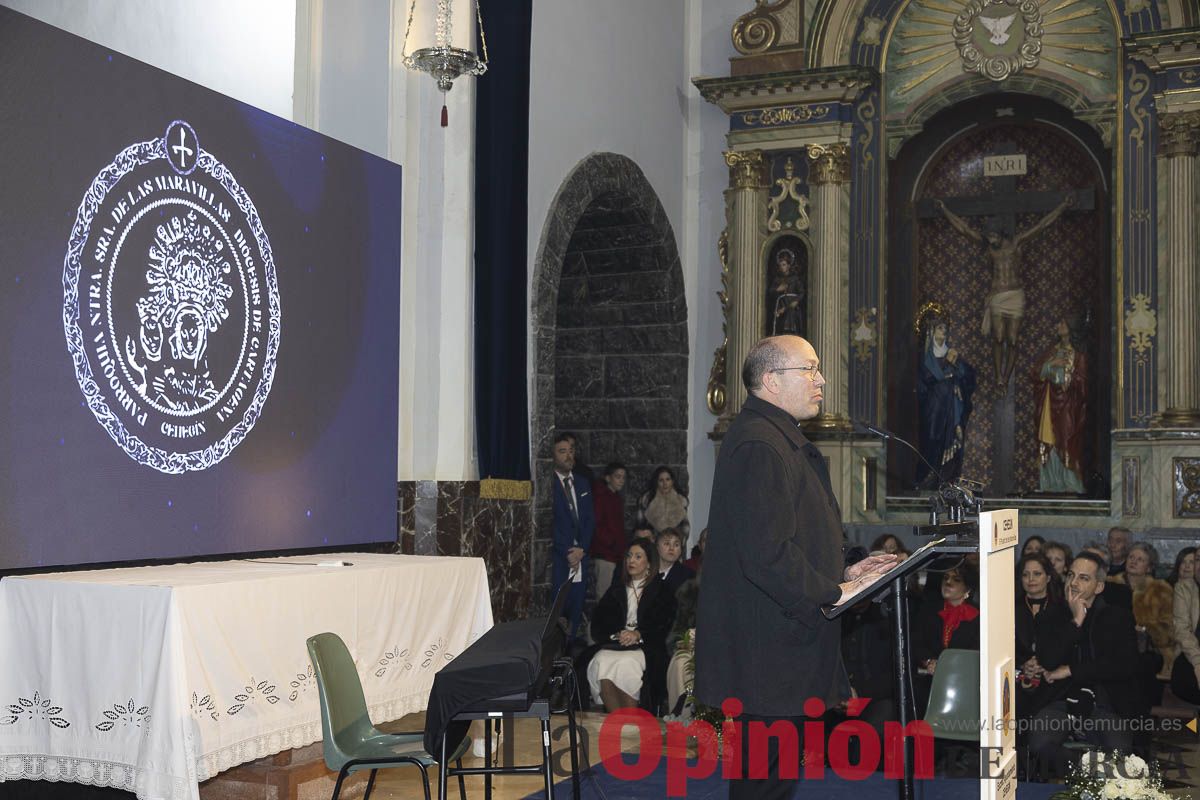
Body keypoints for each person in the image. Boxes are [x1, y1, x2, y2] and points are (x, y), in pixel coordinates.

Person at [695, 335, 897, 800]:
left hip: (781, 648)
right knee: (764, 785)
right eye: (809, 369)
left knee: (774, 781)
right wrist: (832, 594)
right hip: (769, 654)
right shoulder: (760, 445)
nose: (820, 379)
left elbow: (796, 538)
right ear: (771, 380)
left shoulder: (777, 437)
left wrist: (847, 573)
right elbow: (766, 553)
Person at [1029, 553, 1142, 781]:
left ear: (1098, 586)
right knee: (1039, 745)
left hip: (1105, 700)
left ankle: (1094, 773)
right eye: (1071, 575)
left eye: (1083, 578)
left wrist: (1071, 670)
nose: (1073, 583)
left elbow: (1123, 665)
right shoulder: (1050, 616)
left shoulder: (1117, 617)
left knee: (1120, 753)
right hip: (1059, 698)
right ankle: (1086, 768)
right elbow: (1048, 660)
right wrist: (1076, 622)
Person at [936, 195, 1072, 382]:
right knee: (999, 338)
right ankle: (998, 376)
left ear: (1001, 233)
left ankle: (1006, 377)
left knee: (1013, 340)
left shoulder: (1016, 243)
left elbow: (1042, 225)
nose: (991, 240)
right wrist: (944, 210)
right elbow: (964, 229)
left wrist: (1063, 206)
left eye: (994, 236)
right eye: (989, 236)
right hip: (998, 297)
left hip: (1015, 296)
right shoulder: (988, 247)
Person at [585, 540, 677, 713]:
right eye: (629, 556)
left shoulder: (661, 590)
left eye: (638, 556)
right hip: (616, 644)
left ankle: (632, 719)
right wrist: (617, 635)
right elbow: (599, 623)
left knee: (627, 664)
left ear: (649, 563)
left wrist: (638, 634)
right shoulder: (616, 589)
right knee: (601, 661)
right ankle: (618, 719)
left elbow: (663, 624)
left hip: (646, 647)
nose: (631, 561)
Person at [916, 318, 976, 488]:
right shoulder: (925, 358)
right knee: (931, 439)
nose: (944, 331)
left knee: (953, 441)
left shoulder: (952, 354)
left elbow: (969, 378)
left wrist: (958, 370)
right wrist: (946, 367)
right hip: (934, 408)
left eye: (946, 328)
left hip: (952, 408)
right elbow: (925, 381)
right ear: (931, 331)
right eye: (940, 328)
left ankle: (948, 480)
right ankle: (928, 479)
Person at [1015, 553, 1072, 722]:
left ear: (1048, 577)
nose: (1031, 579)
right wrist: (1023, 664)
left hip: (1054, 678)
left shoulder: (1063, 609)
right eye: (1025, 575)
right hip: (1018, 676)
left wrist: (1044, 663)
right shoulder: (1011, 608)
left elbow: (1067, 646)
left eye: (1037, 574)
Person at [1112, 542, 1175, 696]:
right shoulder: (1110, 584)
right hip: (1113, 645)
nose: (1133, 561)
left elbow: (1169, 629)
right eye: (1131, 557)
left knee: (1142, 664)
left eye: (1140, 559)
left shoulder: (1160, 589)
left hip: (1150, 648)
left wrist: (1146, 629)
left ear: (1149, 567)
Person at [550, 432, 595, 644]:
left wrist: (582, 549)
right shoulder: (549, 484)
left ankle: (570, 656)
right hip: (560, 558)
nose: (569, 456)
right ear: (553, 456)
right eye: (562, 451)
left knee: (576, 611)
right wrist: (567, 551)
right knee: (557, 612)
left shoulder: (582, 483)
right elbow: (549, 523)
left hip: (580, 557)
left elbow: (590, 520)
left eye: (571, 451)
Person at [1035, 318, 1088, 494]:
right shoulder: (1052, 352)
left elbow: (1083, 384)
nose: (1059, 326)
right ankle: (1050, 483)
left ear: (1071, 329)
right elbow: (1036, 373)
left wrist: (1068, 375)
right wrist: (1051, 365)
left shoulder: (1078, 356)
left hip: (1068, 405)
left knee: (1067, 438)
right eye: (1059, 323)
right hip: (1049, 402)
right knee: (1048, 439)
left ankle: (1070, 482)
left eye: (1063, 324)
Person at [591, 462, 628, 596]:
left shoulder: (616, 498)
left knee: (614, 593)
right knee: (604, 593)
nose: (621, 480)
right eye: (618, 477)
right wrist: (612, 543)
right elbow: (597, 525)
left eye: (623, 477)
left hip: (616, 554)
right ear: (608, 478)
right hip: (605, 554)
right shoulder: (600, 497)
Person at [1170, 547, 1200, 703]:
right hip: (1191, 654)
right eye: (1198, 559)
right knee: (1186, 679)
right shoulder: (1183, 588)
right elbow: (1182, 630)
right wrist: (1198, 663)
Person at [637, 466, 690, 540]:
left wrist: (677, 540)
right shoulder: (646, 500)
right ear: (656, 482)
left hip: (674, 543)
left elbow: (685, 527)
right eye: (661, 480)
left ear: (672, 481)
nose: (665, 483)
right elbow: (640, 525)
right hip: (652, 543)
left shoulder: (681, 500)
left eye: (668, 479)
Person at [656, 527, 694, 595]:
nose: (671, 548)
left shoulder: (689, 576)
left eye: (676, 545)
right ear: (657, 547)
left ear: (681, 550)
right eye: (667, 544)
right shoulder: (646, 571)